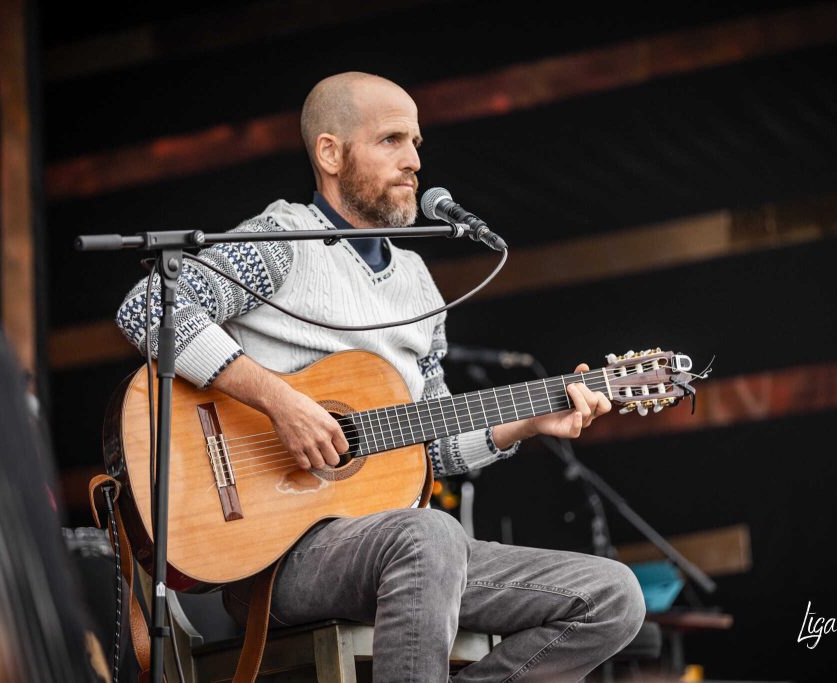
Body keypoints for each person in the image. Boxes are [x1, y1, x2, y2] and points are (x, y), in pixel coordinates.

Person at [116, 71, 645, 682]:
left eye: (417, 143)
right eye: (392, 140)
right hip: (281, 555)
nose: (414, 161)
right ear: (330, 153)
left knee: (612, 596)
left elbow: (436, 444)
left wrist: (528, 420)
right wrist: (281, 403)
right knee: (431, 533)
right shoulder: (280, 243)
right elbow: (149, 306)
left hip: (407, 550)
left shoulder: (420, 282)